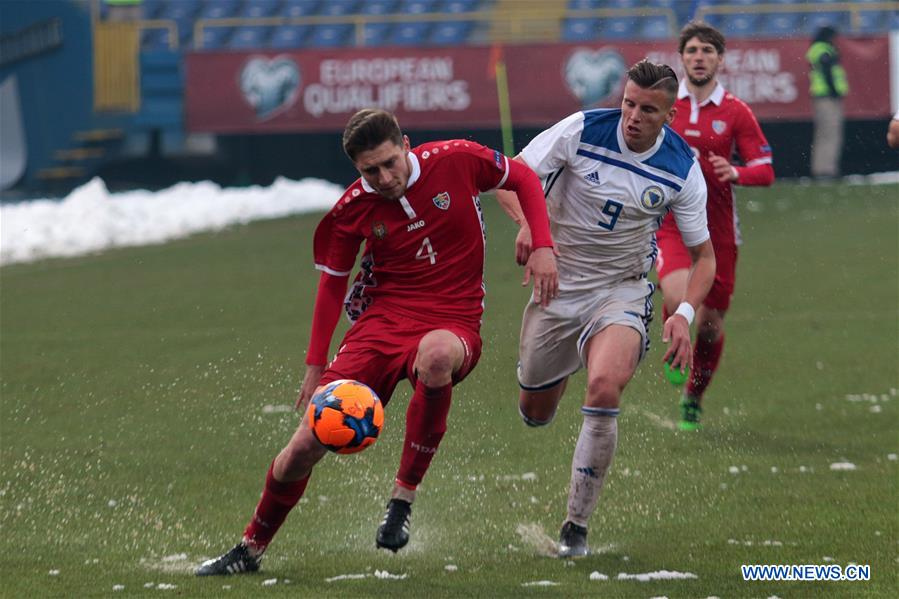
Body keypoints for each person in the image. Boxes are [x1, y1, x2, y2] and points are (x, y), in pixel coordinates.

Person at [196, 109, 559, 575]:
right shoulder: (351, 210)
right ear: (356, 169)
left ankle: (401, 501)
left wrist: (543, 243)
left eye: (391, 163)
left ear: (405, 144)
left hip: (453, 317)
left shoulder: (457, 159)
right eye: (371, 170)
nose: (386, 178)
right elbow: (331, 286)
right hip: (380, 326)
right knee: (303, 445)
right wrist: (314, 366)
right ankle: (250, 548)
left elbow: (524, 177)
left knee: (436, 357)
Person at [496, 60, 716, 558]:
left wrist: (681, 315)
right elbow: (509, 178)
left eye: (648, 110)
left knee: (604, 385)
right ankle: (568, 360)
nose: (633, 116)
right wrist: (533, 230)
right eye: (629, 103)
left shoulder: (682, 169)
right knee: (535, 414)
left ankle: (575, 529)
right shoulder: (581, 129)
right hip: (558, 287)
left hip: (623, 288)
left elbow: (705, 259)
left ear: (671, 115)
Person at [656, 21, 774, 431]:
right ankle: (675, 334)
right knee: (676, 292)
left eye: (707, 50)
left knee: (709, 325)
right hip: (672, 223)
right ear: (682, 58)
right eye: (692, 50)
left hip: (720, 230)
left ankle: (694, 395)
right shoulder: (667, 105)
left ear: (720, 59)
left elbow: (766, 168)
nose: (699, 57)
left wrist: (737, 172)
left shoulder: (735, 111)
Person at [807, 25, 848, 179]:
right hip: (827, 96)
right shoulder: (823, 49)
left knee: (823, 134)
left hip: (822, 96)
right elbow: (827, 71)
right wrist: (834, 90)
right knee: (830, 134)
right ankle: (827, 170)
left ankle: (821, 169)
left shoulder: (816, 48)